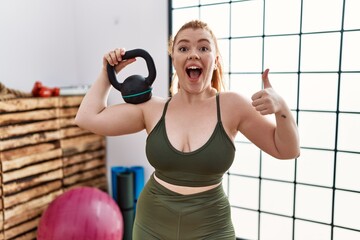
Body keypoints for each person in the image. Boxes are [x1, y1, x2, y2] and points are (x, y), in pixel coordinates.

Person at [75, 20, 300, 240]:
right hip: (152, 224)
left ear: (216, 60)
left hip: (211, 228)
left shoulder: (233, 105)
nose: (193, 54)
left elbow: (287, 150)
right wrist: (107, 73)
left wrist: (282, 108)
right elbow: (87, 118)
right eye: (183, 48)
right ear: (174, 59)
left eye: (203, 47)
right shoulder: (152, 108)